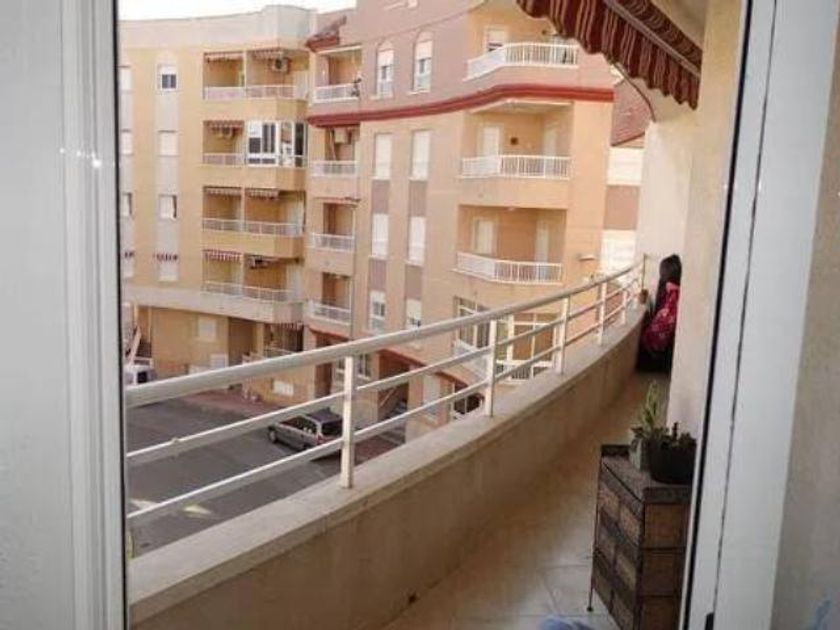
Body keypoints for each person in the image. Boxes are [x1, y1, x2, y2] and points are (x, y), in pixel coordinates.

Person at [637, 254, 682, 372]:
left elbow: (659, 333)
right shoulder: (672, 293)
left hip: (654, 355)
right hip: (658, 352)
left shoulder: (673, 296)